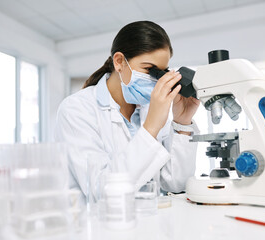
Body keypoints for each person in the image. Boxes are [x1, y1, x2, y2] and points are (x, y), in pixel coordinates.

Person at [54, 21, 200, 201]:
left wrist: (182, 123)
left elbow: (175, 184)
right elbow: (102, 192)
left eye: (161, 72)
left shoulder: (149, 108)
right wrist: (151, 128)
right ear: (119, 62)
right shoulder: (76, 109)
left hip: (147, 222)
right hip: (100, 225)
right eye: (149, 69)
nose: (155, 80)